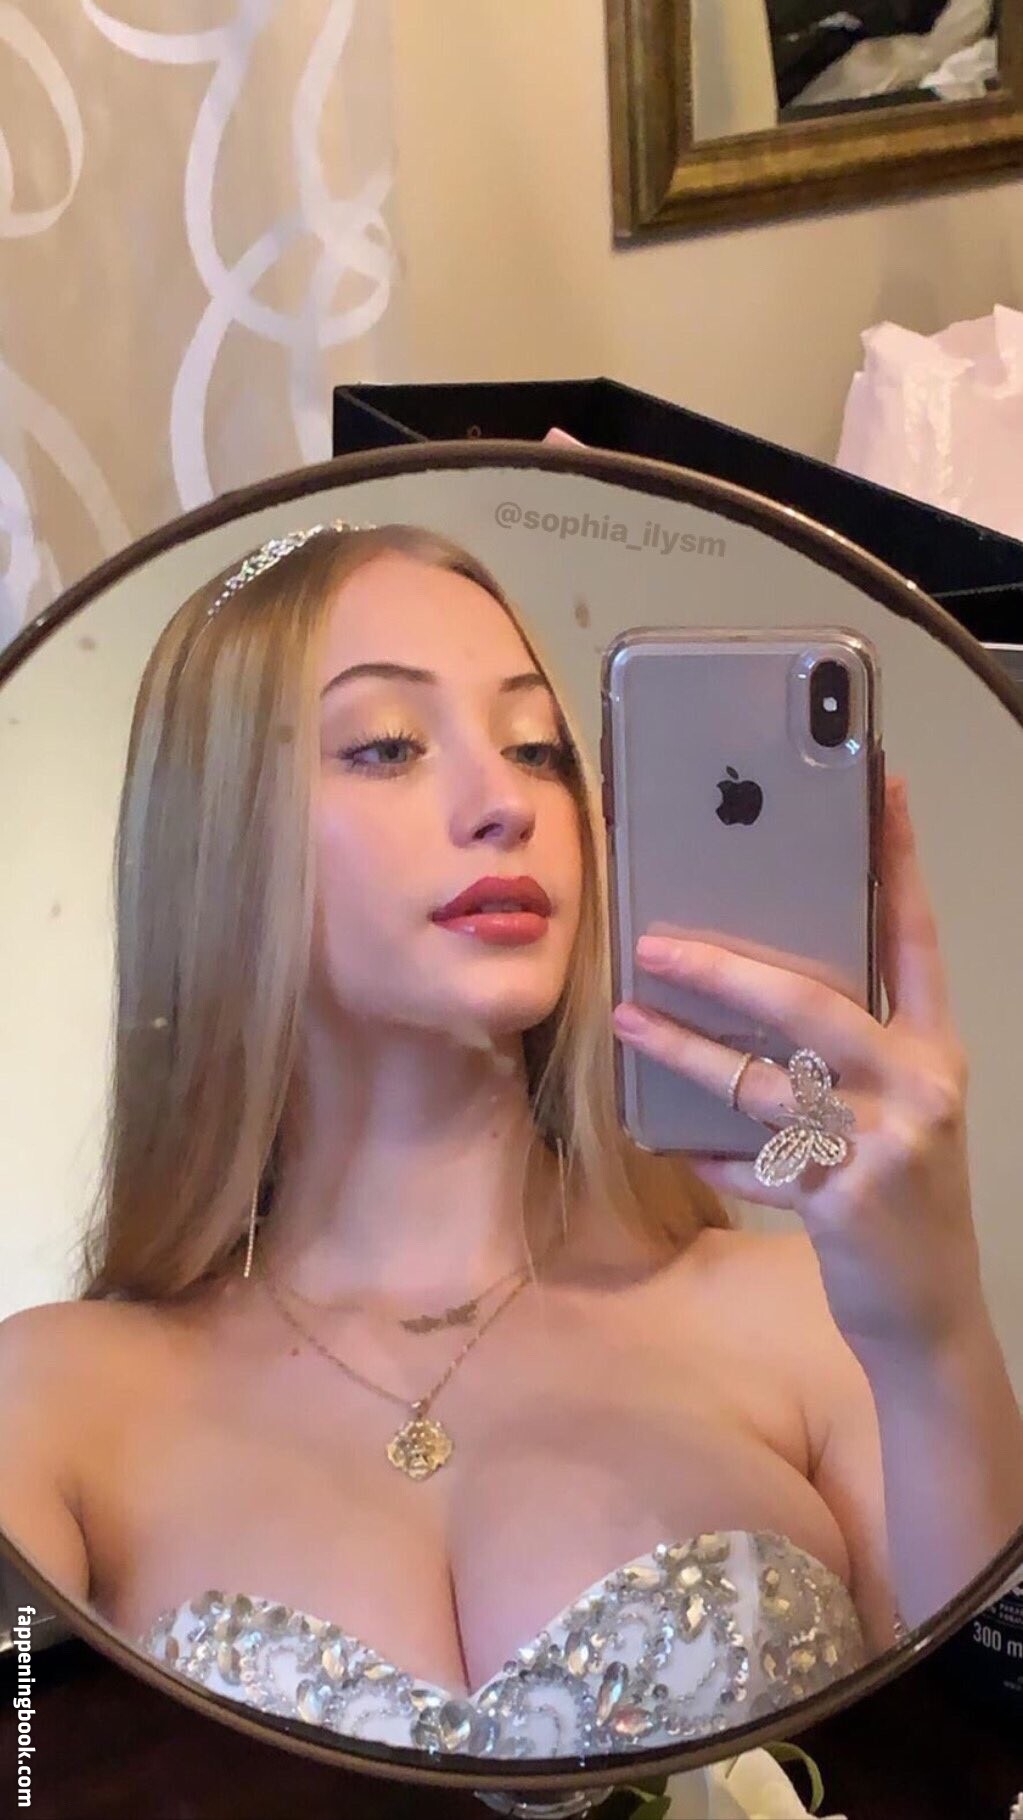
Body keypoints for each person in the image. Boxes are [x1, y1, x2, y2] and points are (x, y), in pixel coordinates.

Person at [0, 522, 1020, 1761]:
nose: (505, 805)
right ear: (218, 830)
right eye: (387, 744)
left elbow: (988, 1759)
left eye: (538, 749)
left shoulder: (811, 1321)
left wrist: (934, 1333)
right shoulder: (54, 1397)